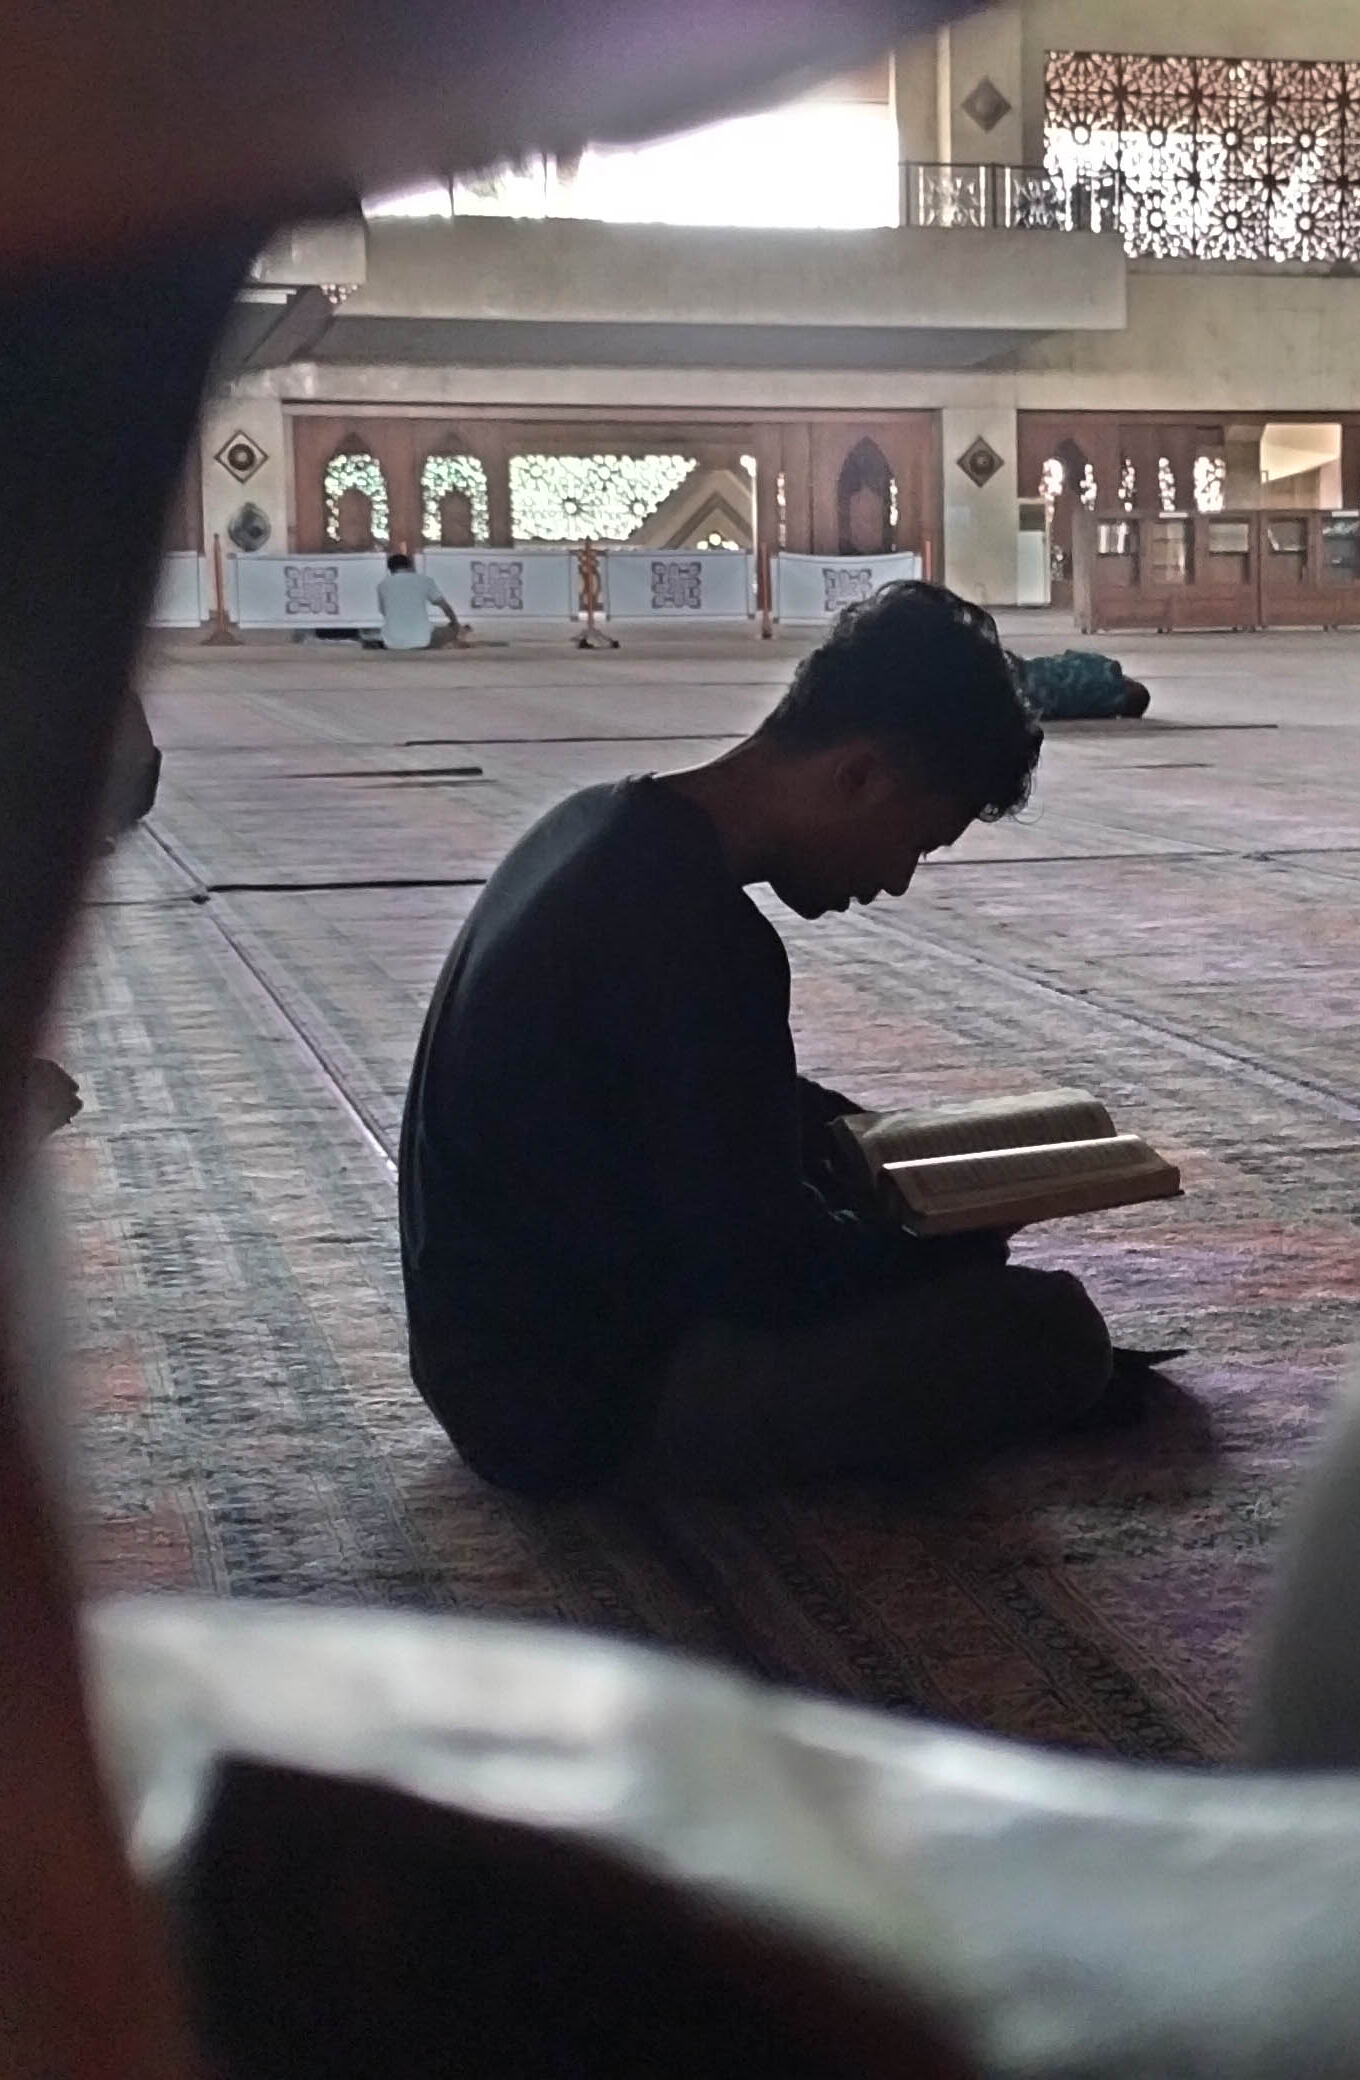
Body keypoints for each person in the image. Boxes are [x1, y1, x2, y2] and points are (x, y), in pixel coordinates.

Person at [398, 580, 1120, 1496]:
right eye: (918, 842)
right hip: (576, 1407)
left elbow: (692, 1104)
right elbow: (767, 1277)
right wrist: (948, 1247)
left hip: (486, 1357)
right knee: (1050, 1331)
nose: (896, 881)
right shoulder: (697, 931)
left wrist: (867, 1146)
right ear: (857, 775)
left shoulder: (602, 823)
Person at [1018, 648, 1152, 721]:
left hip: (1031, 674)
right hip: (1031, 694)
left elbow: (1069, 655)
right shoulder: (1105, 708)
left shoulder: (1105, 666)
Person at [371, 551, 464, 651]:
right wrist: (455, 624)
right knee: (451, 630)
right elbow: (444, 606)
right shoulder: (425, 580)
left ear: (389, 569)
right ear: (410, 566)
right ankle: (456, 638)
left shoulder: (382, 585)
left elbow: (384, 612)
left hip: (392, 642)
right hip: (423, 641)